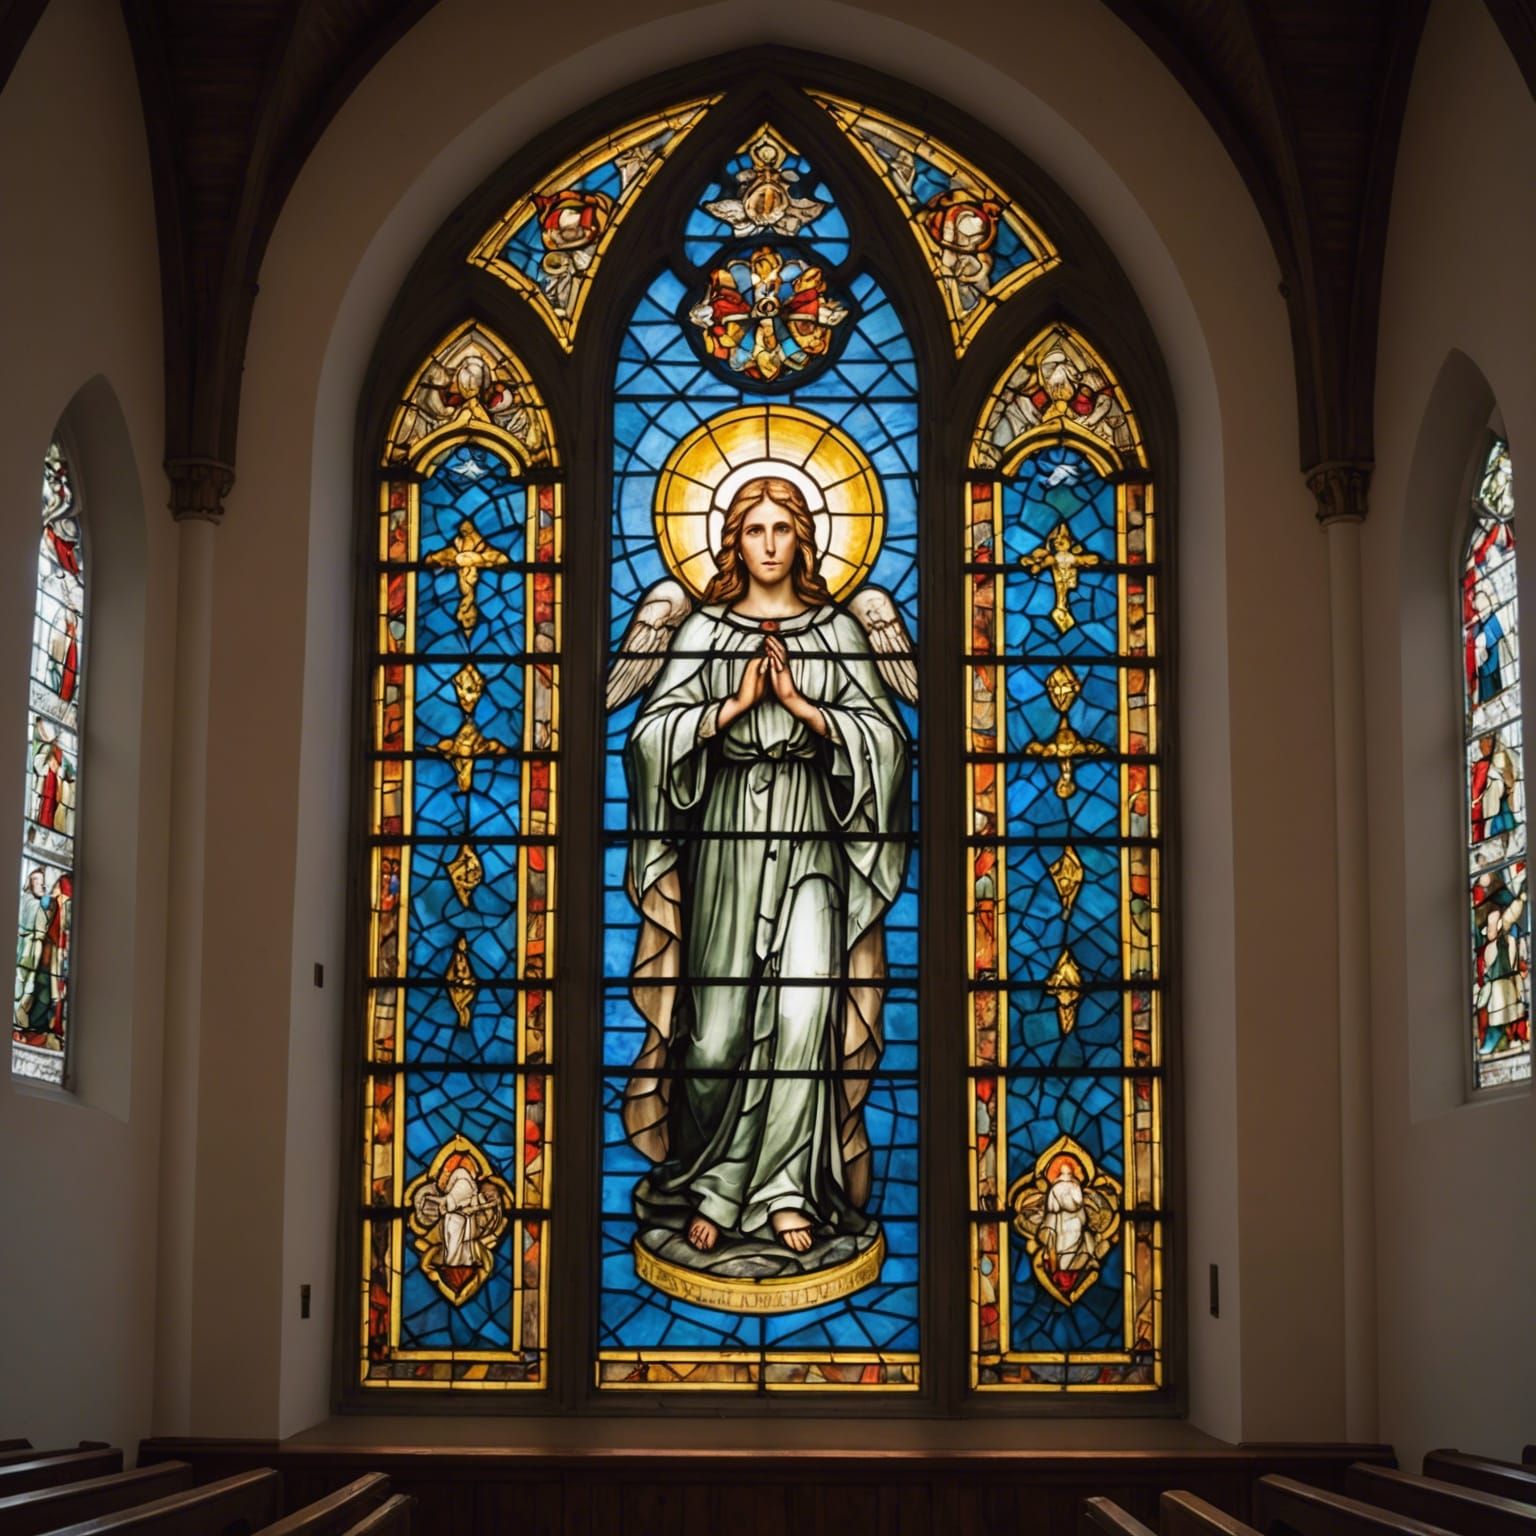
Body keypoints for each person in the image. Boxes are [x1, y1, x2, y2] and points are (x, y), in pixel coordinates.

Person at [622, 477, 910, 1258]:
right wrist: (733, 708)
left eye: (786, 527)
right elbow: (647, 741)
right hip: (724, 838)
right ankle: (712, 1181)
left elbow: (888, 744)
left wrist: (809, 709)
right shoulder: (703, 631)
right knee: (713, 1032)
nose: (772, 543)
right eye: (756, 529)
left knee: (801, 1018)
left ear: (807, 539)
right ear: (734, 542)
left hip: (813, 835)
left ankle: (784, 1193)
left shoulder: (841, 633)